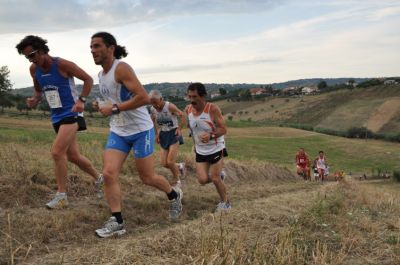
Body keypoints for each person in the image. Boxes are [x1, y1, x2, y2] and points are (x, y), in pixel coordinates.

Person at [90, 32, 182, 238]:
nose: (93, 51)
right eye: (91, 47)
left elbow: (143, 98)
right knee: (109, 173)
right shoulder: (101, 76)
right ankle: (117, 221)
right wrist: (101, 105)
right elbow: (115, 100)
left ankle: (174, 195)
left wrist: (113, 109)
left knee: (147, 177)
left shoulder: (121, 68)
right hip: (119, 131)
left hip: (141, 130)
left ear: (111, 48)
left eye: (97, 46)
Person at [15, 35, 103, 209]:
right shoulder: (34, 70)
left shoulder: (62, 65)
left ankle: (62, 196)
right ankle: (101, 179)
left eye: (32, 55)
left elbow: (88, 80)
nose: (30, 59)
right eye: (27, 57)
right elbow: (39, 90)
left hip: (72, 113)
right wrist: (34, 99)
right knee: (73, 156)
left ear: (41, 50)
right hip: (56, 116)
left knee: (56, 152)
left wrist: (82, 100)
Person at [185, 82, 231, 212]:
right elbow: (193, 129)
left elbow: (223, 129)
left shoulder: (212, 109)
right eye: (190, 97)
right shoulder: (188, 110)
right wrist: (195, 145)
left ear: (203, 96)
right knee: (202, 180)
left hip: (217, 147)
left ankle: (225, 203)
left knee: (215, 178)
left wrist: (211, 136)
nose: (192, 100)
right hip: (201, 150)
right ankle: (220, 176)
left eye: (195, 97)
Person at [149, 90, 186, 187]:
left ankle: (177, 181)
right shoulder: (152, 109)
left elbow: (183, 116)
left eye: (156, 103)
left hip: (174, 133)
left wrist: (179, 129)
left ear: (161, 99)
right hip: (163, 135)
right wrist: (156, 134)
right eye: (152, 103)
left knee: (170, 161)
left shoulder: (170, 106)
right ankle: (180, 166)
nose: (155, 105)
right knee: (164, 163)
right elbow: (153, 122)